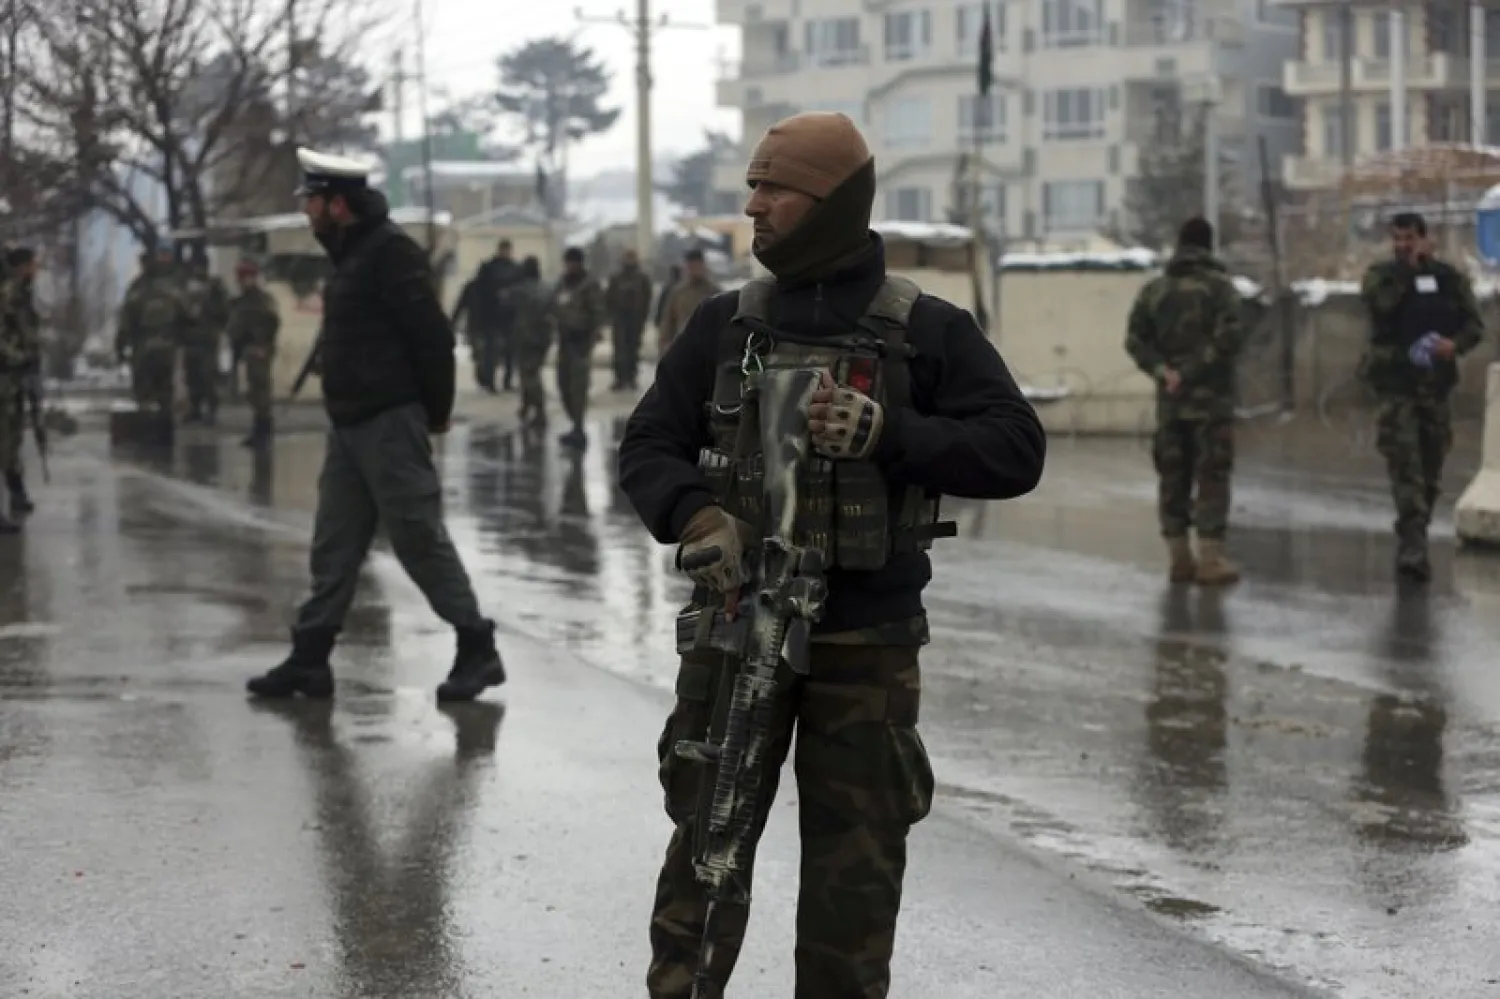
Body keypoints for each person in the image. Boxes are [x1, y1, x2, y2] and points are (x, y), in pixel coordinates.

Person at [617, 111, 1046, 999]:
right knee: (704, 859)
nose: (754, 207)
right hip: (737, 634)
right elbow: (648, 442)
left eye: (774, 189)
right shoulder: (725, 326)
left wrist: (892, 433)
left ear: (831, 204)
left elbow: (1015, 447)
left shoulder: (925, 329)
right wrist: (698, 518)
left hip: (867, 641)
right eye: (753, 186)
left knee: (855, 883)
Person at [245, 147, 506, 704]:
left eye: (312, 202)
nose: (307, 212)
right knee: (334, 546)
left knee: (418, 538)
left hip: (389, 422)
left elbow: (433, 338)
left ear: (337, 204)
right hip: (352, 427)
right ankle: (310, 660)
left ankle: (477, 647)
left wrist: (433, 414)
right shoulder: (354, 254)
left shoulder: (390, 254)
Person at [1359, 211, 1485, 580]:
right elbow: (1381, 309)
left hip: (1435, 387)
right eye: (1397, 239)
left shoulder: (1448, 279)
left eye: (1409, 239)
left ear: (1423, 238)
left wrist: (1454, 345)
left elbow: (1474, 325)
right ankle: (1412, 544)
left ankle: (1416, 529)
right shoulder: (1381, 277)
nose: (1402, 246)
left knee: (1430, 470)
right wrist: (1408, 273)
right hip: (1396, 386)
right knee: (1406, 467)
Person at [1124, 216, 1248, 587]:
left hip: (1171, 404)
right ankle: (1210, 559)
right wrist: (1194, 370)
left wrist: (1164, 371)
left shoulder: (1154, 291)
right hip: (1211, 405)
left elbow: (1134, 340)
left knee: (1173, 477)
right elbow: (1231, 339)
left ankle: (1179, 558)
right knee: (1212, 475)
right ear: (1209, 246)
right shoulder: (1222, 290)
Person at [116, 240, 192, 439]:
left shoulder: (176, 282)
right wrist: (121, 344)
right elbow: (127, 317)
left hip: (165, 344)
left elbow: (188, 315)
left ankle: (163, 434)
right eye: (160, 255)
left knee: (164, 392)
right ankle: (149, 433)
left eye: (166, 255)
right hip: (145, 345)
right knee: (145, 392)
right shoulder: (141, 285)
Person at [546, 246, 605, 450]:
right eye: (567, 263)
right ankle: (574, 423)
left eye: (572, 263)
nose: (569, 267)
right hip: (564, 339)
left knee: (578, 386)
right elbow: (552, 305)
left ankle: (578, 428)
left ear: (579, 264)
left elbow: (598, 311)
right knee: (562, 383)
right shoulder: (562, 284)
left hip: (580, 341)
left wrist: (594, 330)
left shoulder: (589, 285)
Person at [225, 258, 281, 449]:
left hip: (259, 349)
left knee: (261, 392)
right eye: (241, 277)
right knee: (253, 392)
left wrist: (262, 345)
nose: (244, 281)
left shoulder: (260, 300)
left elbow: (272, 322)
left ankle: (264, 431)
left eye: (247, 277)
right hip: (247, 350)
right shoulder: (241, 301)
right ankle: (259, 430)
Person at [453, 239, 520, 392]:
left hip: (509, 317)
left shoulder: (516, 270)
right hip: (491, 316)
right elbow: (479, 293)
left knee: (510, 352)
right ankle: (490, 381)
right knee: (491, 352)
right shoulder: (490, 268)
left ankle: (506, 381)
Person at [4, 246, 41, 514]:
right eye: (32, 264)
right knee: (4, 439)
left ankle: (17, 493)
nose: (35, 269)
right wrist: (18, 357)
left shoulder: (21, 293)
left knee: (12, 438)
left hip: (14, 376)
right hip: (5, 374)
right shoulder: (8, 294)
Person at [181, 256, 230, 425]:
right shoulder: (186, 288)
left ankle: (211, 410)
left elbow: (224, 311)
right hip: (191, 338)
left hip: (208, 339)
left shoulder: (215, 287)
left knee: (208, 376)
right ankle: (195, 409)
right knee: (192, 376)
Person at [511, 255, 553, 430]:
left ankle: (539, 410)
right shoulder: (547, 288)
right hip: (543, 337)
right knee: (531, 372)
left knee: (528, 374)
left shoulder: (520, 290)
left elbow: (507, 305)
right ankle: (527, 406)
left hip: (526, 337)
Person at [605, 248, 654, 391]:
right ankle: (619, 378)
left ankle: (632, 378)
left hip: (635, 318)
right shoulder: (616, 278)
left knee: (633, 348)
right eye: (627, 257)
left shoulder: (642, 278)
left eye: (631, 257)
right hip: (619, 318)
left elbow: (647, 297)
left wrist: (643, 316)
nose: (629, 260)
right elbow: (609, 296)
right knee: (619, 349)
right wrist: (610, 315)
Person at [657, 248, 720, 353]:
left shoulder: (714, 292)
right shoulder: (678, 293)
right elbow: (667, 322)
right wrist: (664, 346)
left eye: (698, 265)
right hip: (683, 347)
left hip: (709, 348)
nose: (695, 269)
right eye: (691, 266)